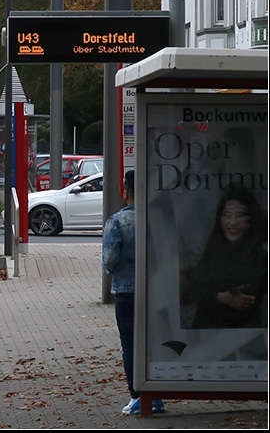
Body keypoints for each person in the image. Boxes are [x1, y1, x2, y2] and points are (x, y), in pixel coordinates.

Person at [103, 170, 163, 416]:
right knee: (154, 344)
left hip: (126, 291)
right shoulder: (158, 219)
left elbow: (110, 259)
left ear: (125, 191)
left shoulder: (117, 221)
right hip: (157, 290)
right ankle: (157, 396)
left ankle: (137, 395)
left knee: (130, 345)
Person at [190, 185, 267, 329]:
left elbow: (248, 297)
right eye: (226, 215)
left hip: (243, 334)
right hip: (204, 330)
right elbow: (196, 289)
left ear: (251, 218)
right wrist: (221, 297)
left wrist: (218, 294)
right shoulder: (213, 247)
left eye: (240, 215)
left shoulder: (261, 255)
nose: (232, 222)